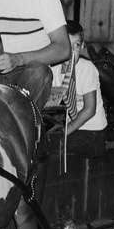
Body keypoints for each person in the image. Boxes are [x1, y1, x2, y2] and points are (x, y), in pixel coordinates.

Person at [45, 20, 107, 162]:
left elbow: (89, 109)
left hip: (92, 131)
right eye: (67, 46)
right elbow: (51, 103)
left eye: (76, 46)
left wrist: (64, 132)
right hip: (69, 128)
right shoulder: (54, 69)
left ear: (83, 46)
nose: (72, 52)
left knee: (55, 149)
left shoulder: (87, 68)